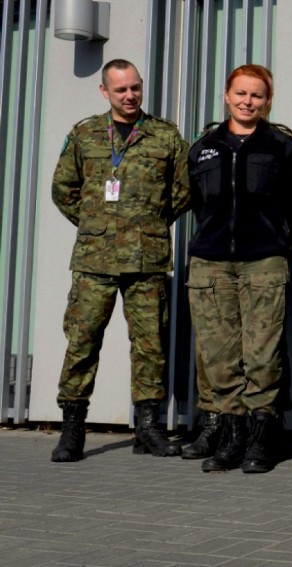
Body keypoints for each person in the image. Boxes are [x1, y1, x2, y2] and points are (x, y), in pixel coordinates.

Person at [50, 59, 190, 462]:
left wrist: (147, 223)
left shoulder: (164, 135)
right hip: (94, 261)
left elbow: (182, 191)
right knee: (82, 341)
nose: (130, 96)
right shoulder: (84, 133)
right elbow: (64, 189)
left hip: (146, 261)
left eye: (135, 88)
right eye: (121, 90)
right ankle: (72, 428)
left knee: (150, 345)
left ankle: (146, 428)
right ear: (104, 92)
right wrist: (98, 223)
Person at [186, 64, 292, 474]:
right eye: (240, 93)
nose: (247, 101)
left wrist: (290, 241)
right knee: (220, 357)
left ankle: (261, 439)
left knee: (262, 355)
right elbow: (195, 203)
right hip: (211, 263)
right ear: (226, 95)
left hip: (263, 261)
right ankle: (231, 438)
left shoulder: (281, 147)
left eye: (256, 95)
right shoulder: (204, 147)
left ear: (267, 101)